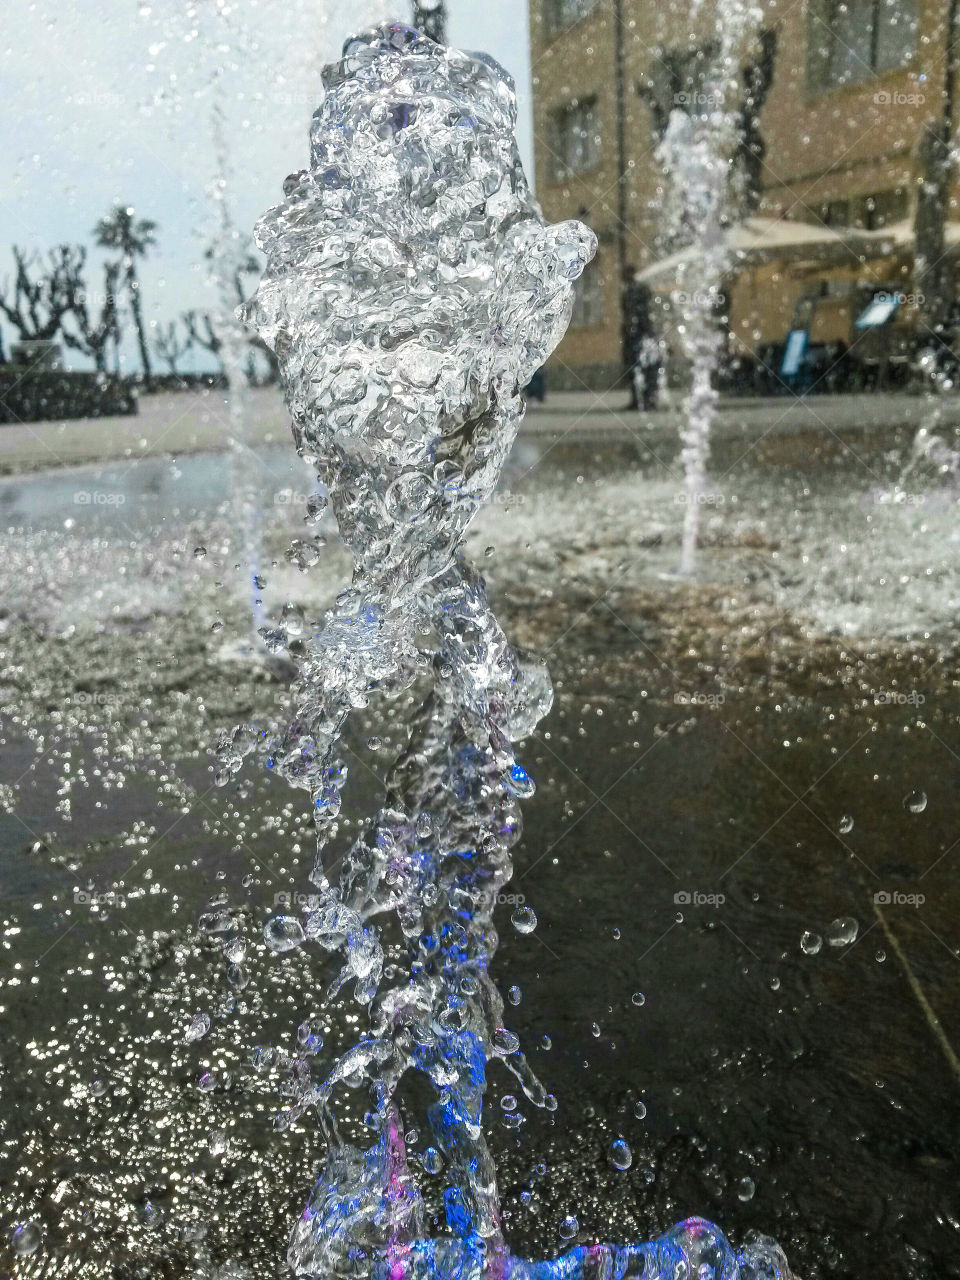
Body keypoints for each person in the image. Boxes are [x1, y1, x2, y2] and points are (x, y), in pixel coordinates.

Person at [621, 268, 661, 410]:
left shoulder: (637, 292)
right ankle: (639, 400)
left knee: (645, 369)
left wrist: (647, 334)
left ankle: (646, 400)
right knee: (635, 370)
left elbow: (642, 315)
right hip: (634, 336)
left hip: (640, 336)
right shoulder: (629, 292)